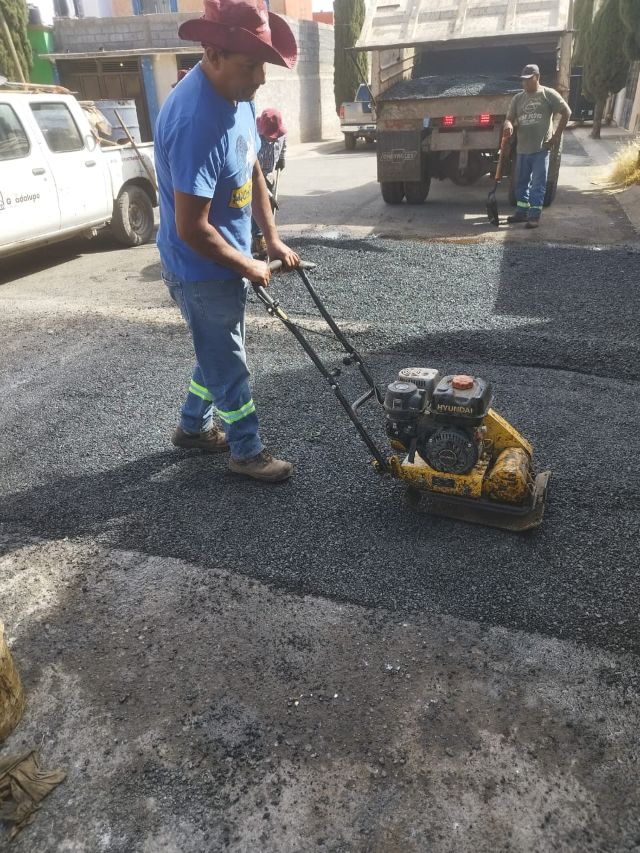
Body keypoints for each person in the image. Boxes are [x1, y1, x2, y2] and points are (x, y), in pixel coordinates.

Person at [154, 0, 300, 482]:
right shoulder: (195, 120)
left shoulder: (238, 98)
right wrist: (245, 264)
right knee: (229, 358)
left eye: (262, 64)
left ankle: (192, 429)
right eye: (251, 65)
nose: (261, 77)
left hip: (230, 256)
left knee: (216, 347)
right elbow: (191, 229)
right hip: (200, 268)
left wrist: (271, 239)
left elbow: (252, 165)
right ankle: (246, 450)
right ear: (213, 54)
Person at [503, 64, 571, 229]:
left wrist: (556, 136)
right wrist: (508, 125)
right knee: (521, 183)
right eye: (523, 81)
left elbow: (566, 112)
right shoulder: (518, 98)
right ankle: (521, 212)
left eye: (528, 80)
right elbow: (509, 118)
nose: (525, 84)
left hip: (541, 149)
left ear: (537, 77)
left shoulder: (548, 94)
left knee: (538, 184)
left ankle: (534, 216)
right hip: (522, 150)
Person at [251, 108, 287, 257]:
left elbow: (284, 143)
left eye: (275, 137)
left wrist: (282, 158)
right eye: (270, 137)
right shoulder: (254, 138)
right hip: (254, 175)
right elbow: (251, 171)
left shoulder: (281, 134)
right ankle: (258, 240)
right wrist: (267, 194)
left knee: (268, 208)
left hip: (269, 174)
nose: (273, 139)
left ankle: (267, 236)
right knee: (257, 207)